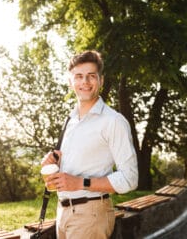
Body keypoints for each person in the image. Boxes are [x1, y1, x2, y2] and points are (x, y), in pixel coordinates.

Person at [41, 50, 138, 239]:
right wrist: (54, 162)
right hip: (63, 213)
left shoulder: (113, 121)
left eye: (91, 76)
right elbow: (77, 163)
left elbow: (130, 178)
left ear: (100, 80)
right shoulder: (70, 120)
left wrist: (80, 183)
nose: (85, 82)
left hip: (91, 214)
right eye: (79, 76)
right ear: (71, 82)